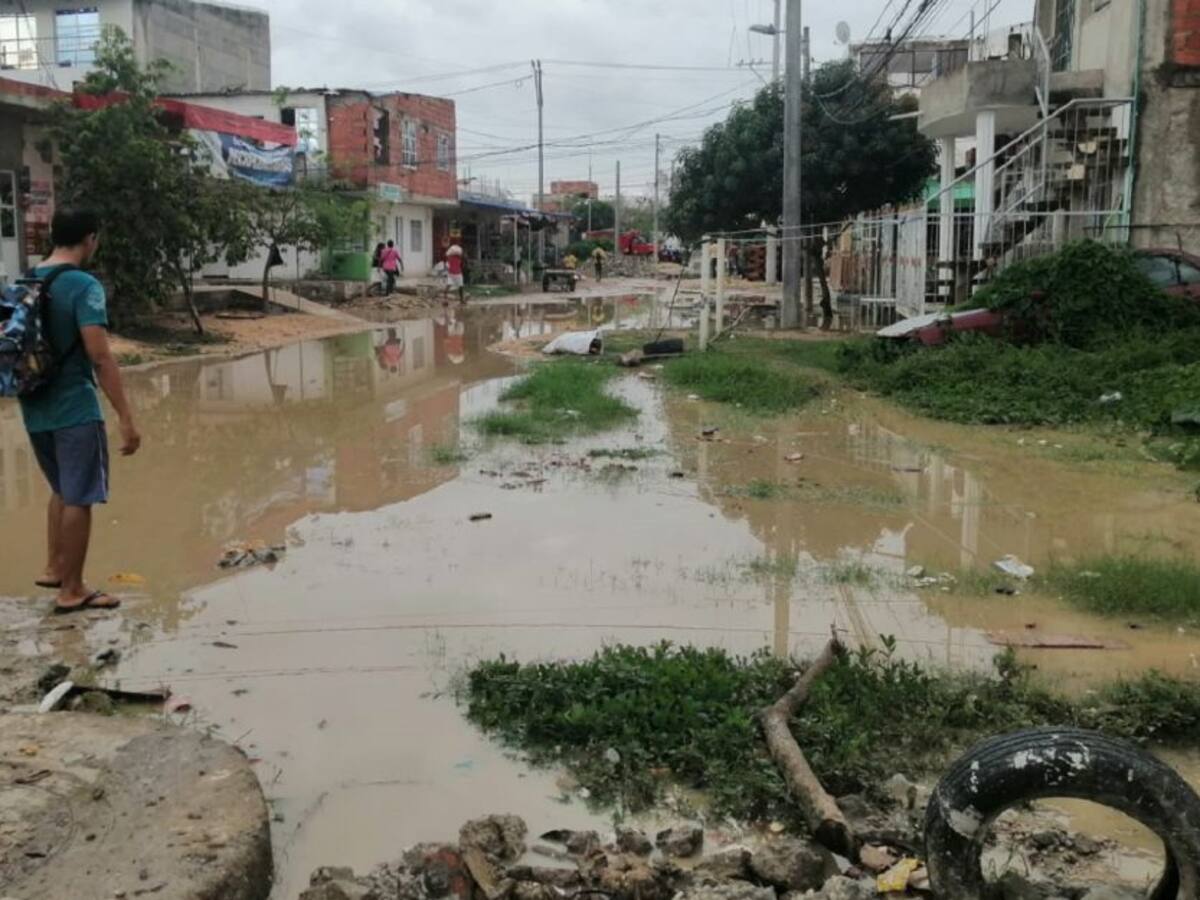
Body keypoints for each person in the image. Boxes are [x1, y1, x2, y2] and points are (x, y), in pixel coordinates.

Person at [20, 208, 141, 614]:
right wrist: (125, 416)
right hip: (74, 406)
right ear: (90, 239)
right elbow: (100, 356)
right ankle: (72, 589)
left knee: (61, 489)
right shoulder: (83, 285)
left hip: (34, 403)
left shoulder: (28, 279)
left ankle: (55, 567)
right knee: (80, 497)